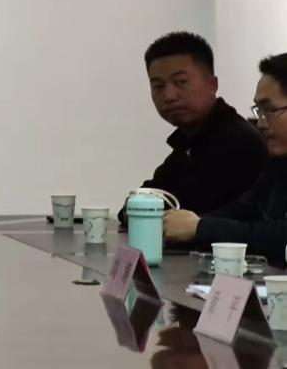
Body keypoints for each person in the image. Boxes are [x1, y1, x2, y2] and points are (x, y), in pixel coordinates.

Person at [120, 32, 266, 221]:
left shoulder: (238, 141)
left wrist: (143, 211)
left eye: (181, 82)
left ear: (212, 85)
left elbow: (195, 217)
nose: (169, 96)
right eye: (158, 86)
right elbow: (142, 200)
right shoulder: (188, 141)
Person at [165, 53, 287, 261]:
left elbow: (279, 235)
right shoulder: (278, 165)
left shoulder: (237, 138)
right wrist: (186, 224)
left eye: (269, 110)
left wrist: (200, 227)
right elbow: (243, 210)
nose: (261, 123)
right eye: (259, 111)